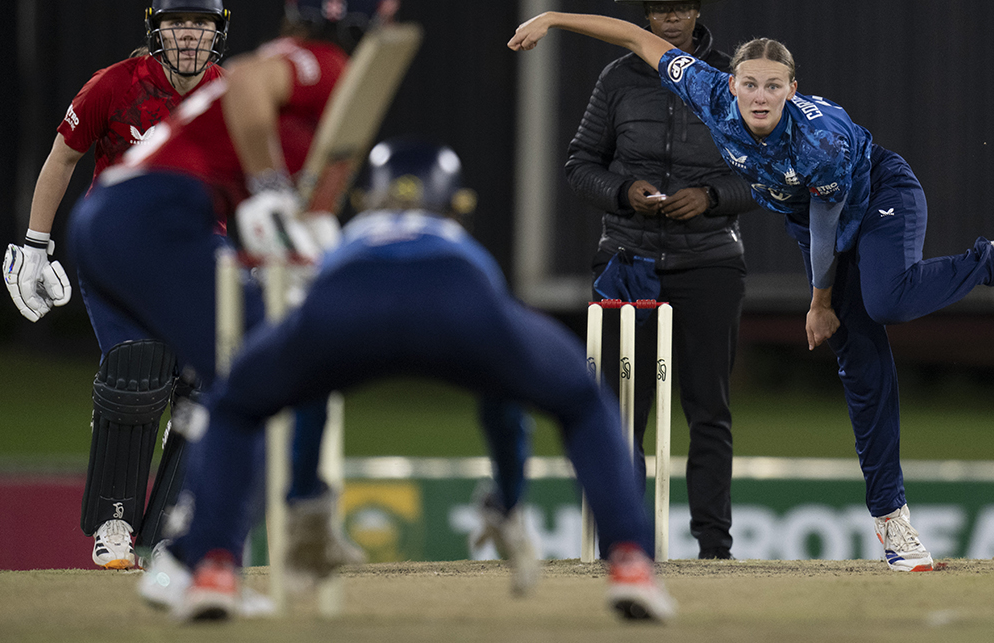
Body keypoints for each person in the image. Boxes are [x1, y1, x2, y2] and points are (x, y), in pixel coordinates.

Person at [510, 11, 994, 572]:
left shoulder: (817, 142)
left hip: (877, 200)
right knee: (863, 372)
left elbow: (828, 225)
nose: (760, 96)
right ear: (730, 84)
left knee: (887, 300)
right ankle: (894, 527)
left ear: (792, 90)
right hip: (813, 221)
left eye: (774, 86)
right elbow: (635, 37)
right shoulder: (706, 88)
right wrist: (552, 18)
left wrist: (819, 304)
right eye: (750, 83)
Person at [162, 138, 676, 623]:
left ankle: (212, 570)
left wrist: (304, 497)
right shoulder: (459, 242)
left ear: (368, 200)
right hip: (457, 296)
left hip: (345, 300)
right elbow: (503, 403)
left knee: (235, 405)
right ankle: (630, 560)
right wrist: (508, 498)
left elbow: (309, 394)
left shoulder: (349, 237)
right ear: (457, 204)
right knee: (583, 402)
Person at [64, 0, 397, 581]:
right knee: (264, 369)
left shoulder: (315, 84)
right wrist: (273, 190)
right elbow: (246, 84)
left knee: (249, 369)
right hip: (150, 217)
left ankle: (195, 553)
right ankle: (242, 540)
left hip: (126, 223)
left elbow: (289, 198)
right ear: (374, 14)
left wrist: (296, 229)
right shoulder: (320, 64)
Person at [2, 0, 229, 569]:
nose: (188, 36)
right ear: (156, 31)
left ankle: (178, 526)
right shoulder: (115, 86)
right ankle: (115, 523)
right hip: (119, 254)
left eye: (200, 25)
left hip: (198, 260)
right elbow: (63, 157)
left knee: (209, 385)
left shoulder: (233, 95)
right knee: (135, 372)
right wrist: (33, 244)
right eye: (178, 24)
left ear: (217, 34)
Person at [564, 0, 755, 560]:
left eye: (680, 8)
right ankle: (620, 547)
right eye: (658, 10)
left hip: (709, 261)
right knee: (621, 413)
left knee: (708, 408)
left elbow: (769, 172)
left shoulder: (732, 79)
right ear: (643, 16)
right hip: (628, 257)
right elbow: (579, 164)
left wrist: (712, 197)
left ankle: (714, 550)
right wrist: (625, 193)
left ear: (698, 12)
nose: (669, 18)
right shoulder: (618, 80)